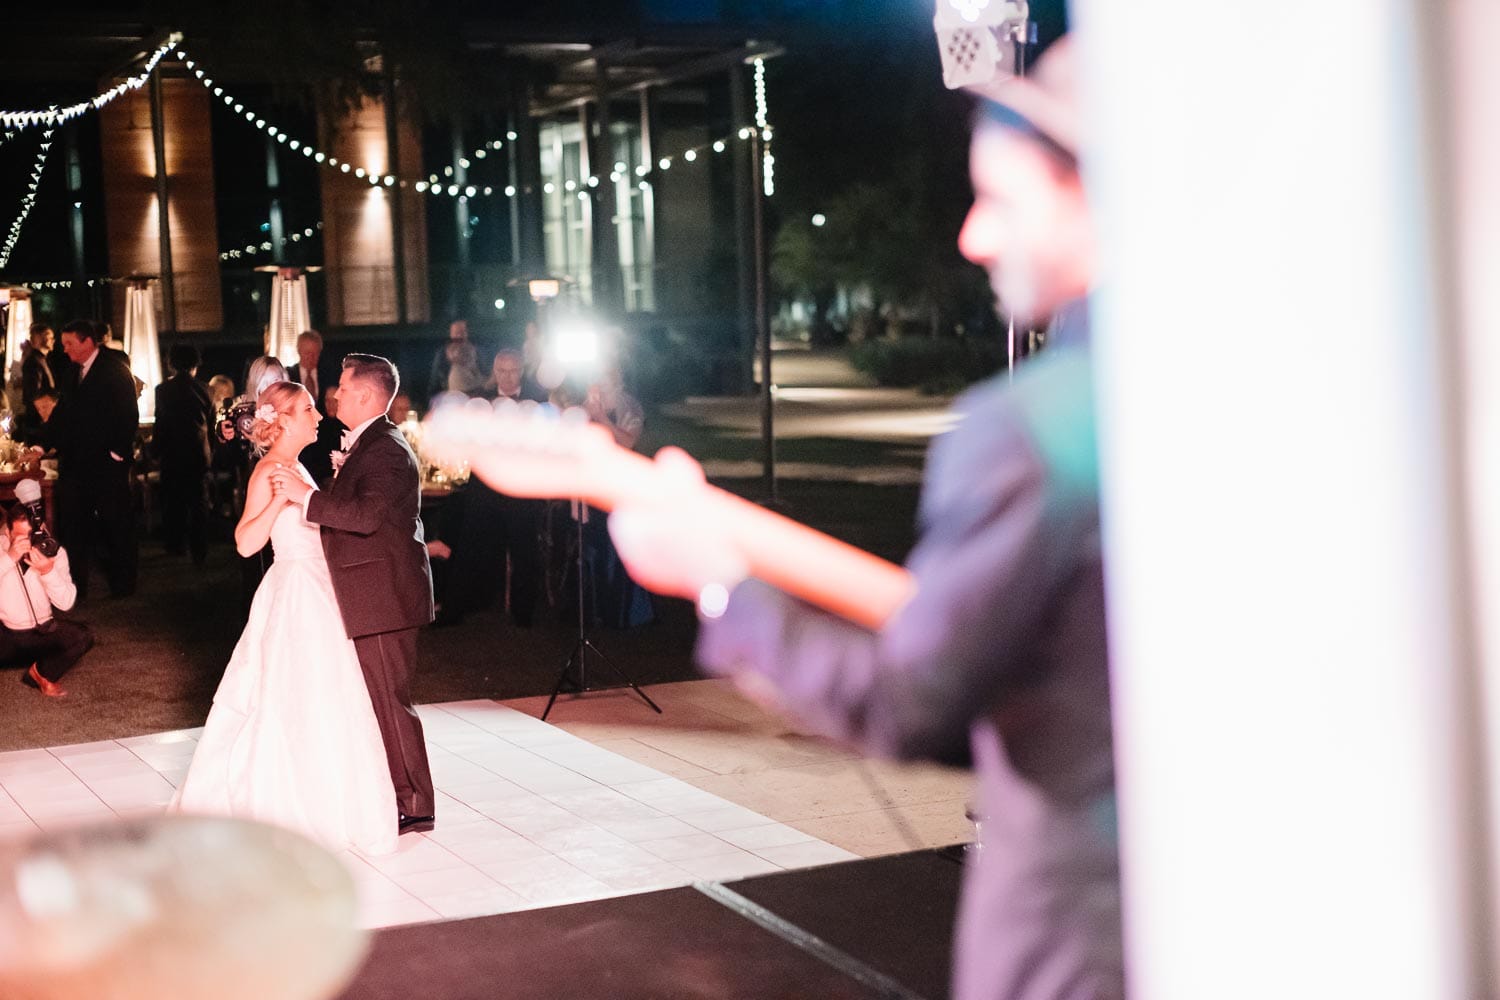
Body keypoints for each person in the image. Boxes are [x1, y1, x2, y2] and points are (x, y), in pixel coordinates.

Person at [601, 37, 1120, 1000]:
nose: (973, 237)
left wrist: (718, 582)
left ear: (1095, 195)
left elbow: (908, 701)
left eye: (1002, 198)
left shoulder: (1029, 429)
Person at [171, 380, 397, 856]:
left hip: (317, 590)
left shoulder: (294, 466)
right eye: (310, 409)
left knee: (322, 699)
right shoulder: (271, 471)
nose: (320, 414)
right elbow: (246, 543)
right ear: (284, 420)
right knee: (291, 701)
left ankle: (325, 803)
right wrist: (279, 500)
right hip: (296, 594)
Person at [269, 355, 437, 835]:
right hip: (372, 593)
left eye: (343, 386)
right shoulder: (368, 445)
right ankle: (397, 793)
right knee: (378, 701)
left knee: (389, 701)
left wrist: (305, 497)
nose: (335, 394)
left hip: (384, 596)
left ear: (365, 395)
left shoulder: (385, 449)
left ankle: (416, 803)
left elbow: (364, 517)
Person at [435, 350, 546, 629]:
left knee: (524, 549)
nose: (507, 377)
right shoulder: (478, 399)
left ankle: (524, 614)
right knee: (469, 546)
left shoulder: (537, 399)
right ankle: (454, 610)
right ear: (494, 372)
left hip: (520, 486)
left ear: (521, 371)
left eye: (512, 371)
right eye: (502, 371)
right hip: (485, 486)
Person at [51, 319, 140, 600]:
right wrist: (44, 445)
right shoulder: (71, 373)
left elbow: (128, 415)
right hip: (76, 463)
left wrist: (117, 454)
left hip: (106, 464)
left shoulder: (114, 370)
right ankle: (77, 586)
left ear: (87, 342)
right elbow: (62, 414)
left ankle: (123, 585)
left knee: (116, 523)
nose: (64, 350)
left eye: (69, 344)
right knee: (74, 525)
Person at [0, 505, 93, 698]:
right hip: (5, 635)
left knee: (82, 636)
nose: (29, 543)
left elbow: (66, 603)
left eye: (32, 534)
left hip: (41, 633)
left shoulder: (53, 551)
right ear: (7, 532)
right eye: (21, 537)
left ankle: (41, 672)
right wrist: (10, 558)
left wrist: (48, 572)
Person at [154, 344, 214, 566]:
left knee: (173, 500)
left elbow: (161, 423)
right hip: (198, 452)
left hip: (172, 452)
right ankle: (200, 547)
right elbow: (211, 423)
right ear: (195, 365)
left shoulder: (163, 390)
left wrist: (156, 450)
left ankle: (175, 544)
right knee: (199, 502)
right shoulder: (206, 389)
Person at [289, 329, 339, 415]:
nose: (311, 357)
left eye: (314, 353)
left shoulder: (329, 375)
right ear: (298, 350)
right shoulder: (289, 375)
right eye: (307, 353)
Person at [426, 319, 469, 400]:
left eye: (462, 332)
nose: (459, 336)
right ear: (451, 334)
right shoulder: (442, 354)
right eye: (457, 333)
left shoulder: (476, 352)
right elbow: (435, 380)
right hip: (450, 398)